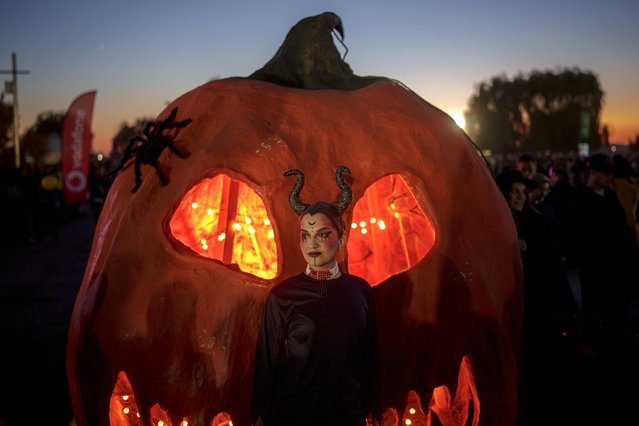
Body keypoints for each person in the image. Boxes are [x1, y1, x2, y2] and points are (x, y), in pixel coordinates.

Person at [251, 166, 381, 426]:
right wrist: (260, 416)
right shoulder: (282, 296)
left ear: (341, 238)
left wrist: (373, 410)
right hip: (293, 417)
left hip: (348, 416)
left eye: (323, 235)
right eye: (305, 236)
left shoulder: (360, 292)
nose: (312, 245)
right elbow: (267, 362)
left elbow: (370, 358)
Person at [496, 170, 579, 425]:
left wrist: (529, 249)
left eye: (523, 192)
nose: (520, 197)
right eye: (515, 192)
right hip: (506, 301)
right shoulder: (496, 220)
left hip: (537, 302)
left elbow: (555, 257)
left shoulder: (538, 221)